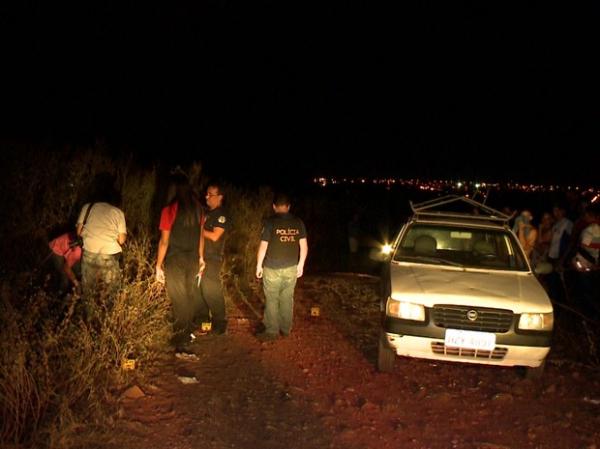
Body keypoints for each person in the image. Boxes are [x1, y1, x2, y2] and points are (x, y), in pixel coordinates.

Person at [156, 174, 205, 350]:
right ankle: (187, 332)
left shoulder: (169, 210)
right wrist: (201, 258)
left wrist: (158, 265)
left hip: (175, 259)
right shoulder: (198, 208)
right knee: (189, 296)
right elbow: (201, 237)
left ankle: (181, 337)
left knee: (178, 298)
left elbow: (164, 241)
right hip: (192, 259)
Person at [255, 192, 308, 341]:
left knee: (272, 299)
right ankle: (285, 329)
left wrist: (259, 265)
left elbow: (263, 246)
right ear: (289, 207)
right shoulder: (298, 222)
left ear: (274, 207)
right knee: (287, 298)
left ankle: (272, 330)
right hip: (291, 267)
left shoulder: (270, 222)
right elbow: (304, 246)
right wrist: (301, 264)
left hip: (272, 267)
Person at [76, 174, 127, 304]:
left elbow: (79, 232)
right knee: (111, 293)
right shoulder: (118, 213)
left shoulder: (87, 207)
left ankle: (89, 317)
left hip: (89, 254)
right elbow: (121, 240)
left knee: (88, 292)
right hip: (109, 255)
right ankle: (108, 318)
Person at [198, 182, 229, 335]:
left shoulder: (221, 214)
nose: (207, 197)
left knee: (211, 290)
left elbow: (215, 236)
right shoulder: (205, 213)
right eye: (207, 194)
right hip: (201, 256)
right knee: (200, 289)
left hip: (213, 257)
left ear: (220, 197)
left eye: (210, 194)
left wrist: (198, 231)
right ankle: (204, 320)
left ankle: (220, 321)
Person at [48, 231, 82, 297]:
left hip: (67, 245)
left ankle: (71, 288)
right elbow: (66, 267)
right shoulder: (77, 252)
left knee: (76, 269)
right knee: (64, 274)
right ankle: (60, 293)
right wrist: (77, 284)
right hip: (56, 247)